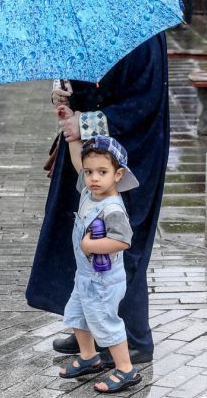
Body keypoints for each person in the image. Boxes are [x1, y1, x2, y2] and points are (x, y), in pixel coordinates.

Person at [26, 30, 170, 368]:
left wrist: (85, 122)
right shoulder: (84, 21)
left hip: (129, 155)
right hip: (87, 153)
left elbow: (144, 102)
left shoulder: (143, 33)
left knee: (119, 240)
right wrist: (64, 99)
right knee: (82, 237)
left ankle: (132, 339)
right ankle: (90, 329)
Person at [53, 130, 142, 393]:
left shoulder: (112, 208)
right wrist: (71, 137)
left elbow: (123, 241)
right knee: (78, 316)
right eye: (89, 172)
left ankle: (127, 369)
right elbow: (77, 162)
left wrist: (90, 245)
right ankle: (90, 357)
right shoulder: (89, 193)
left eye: (102, 172)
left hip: (103, 280)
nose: (93, 177)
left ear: (118, 174)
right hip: (85, 276)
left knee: (105, 321)